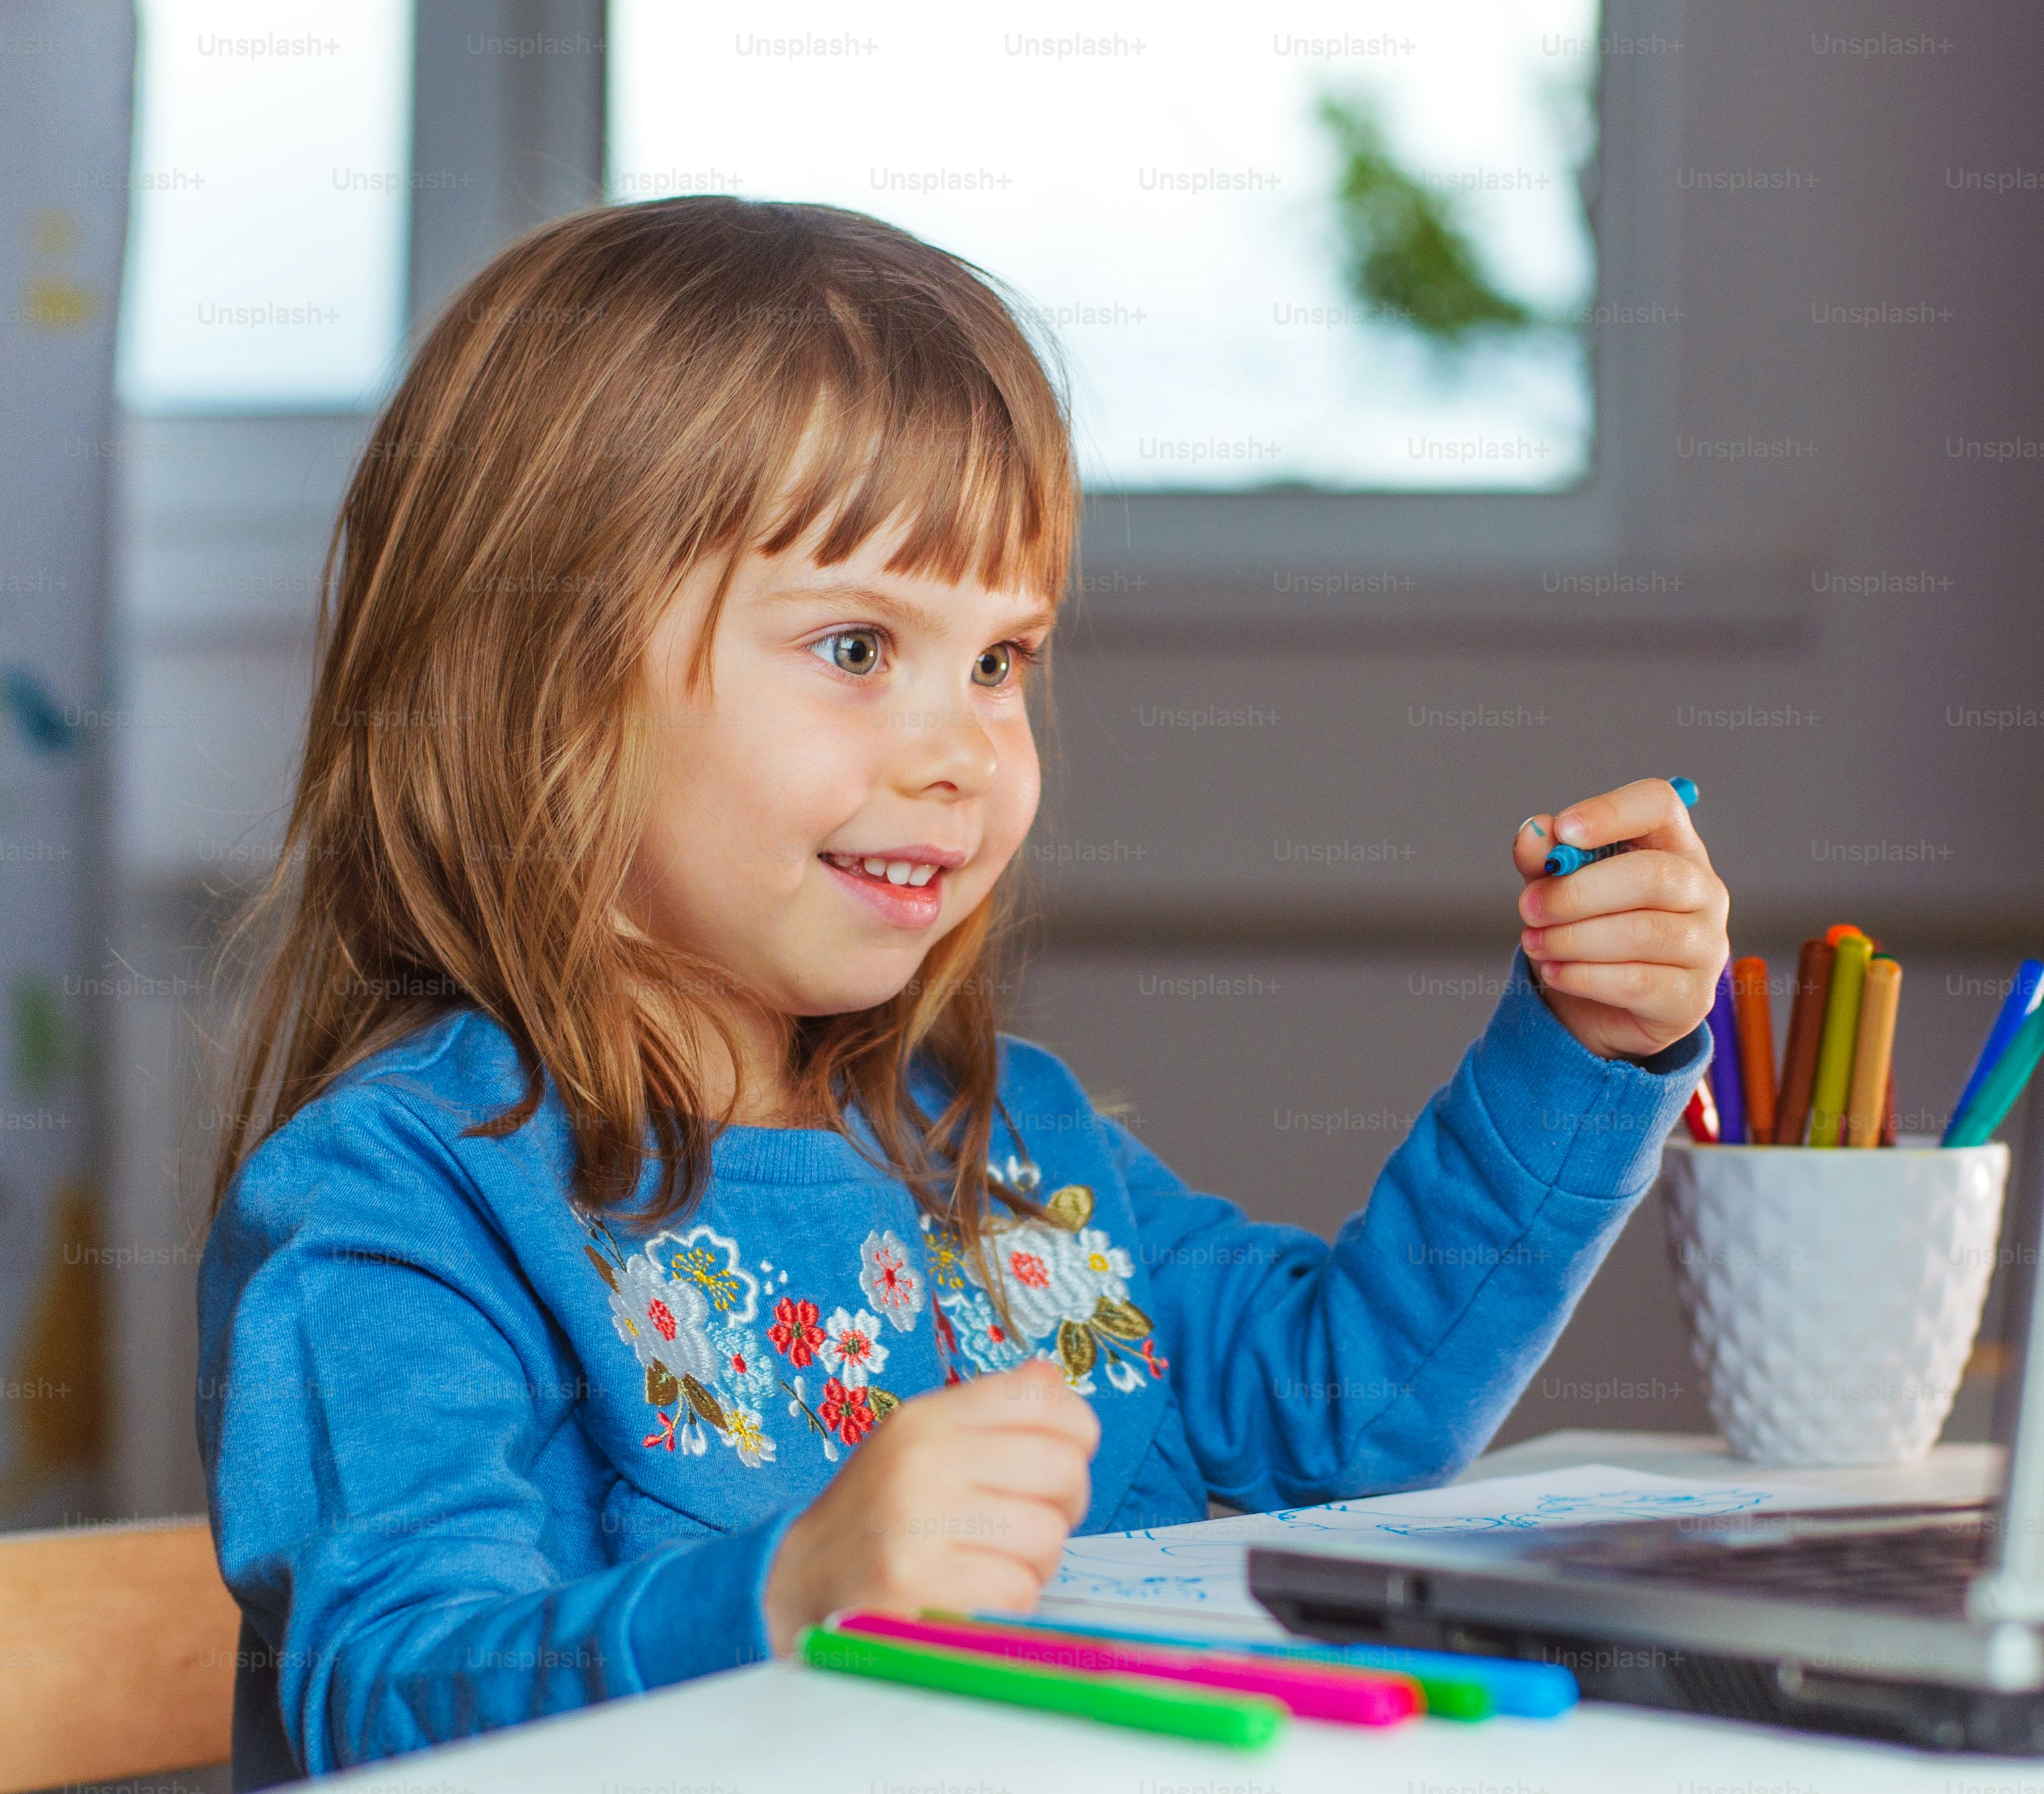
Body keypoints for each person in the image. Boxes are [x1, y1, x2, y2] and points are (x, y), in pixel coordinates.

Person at [197, 195, 1726, 1785]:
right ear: (542, 692)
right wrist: (784, 1592)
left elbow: (1338, 1419)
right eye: (857, 646)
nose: (960, 751)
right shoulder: (404, 1190)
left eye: (998, 661)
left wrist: (1584, 1046)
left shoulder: (1006, 1141)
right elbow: (382, 1699)